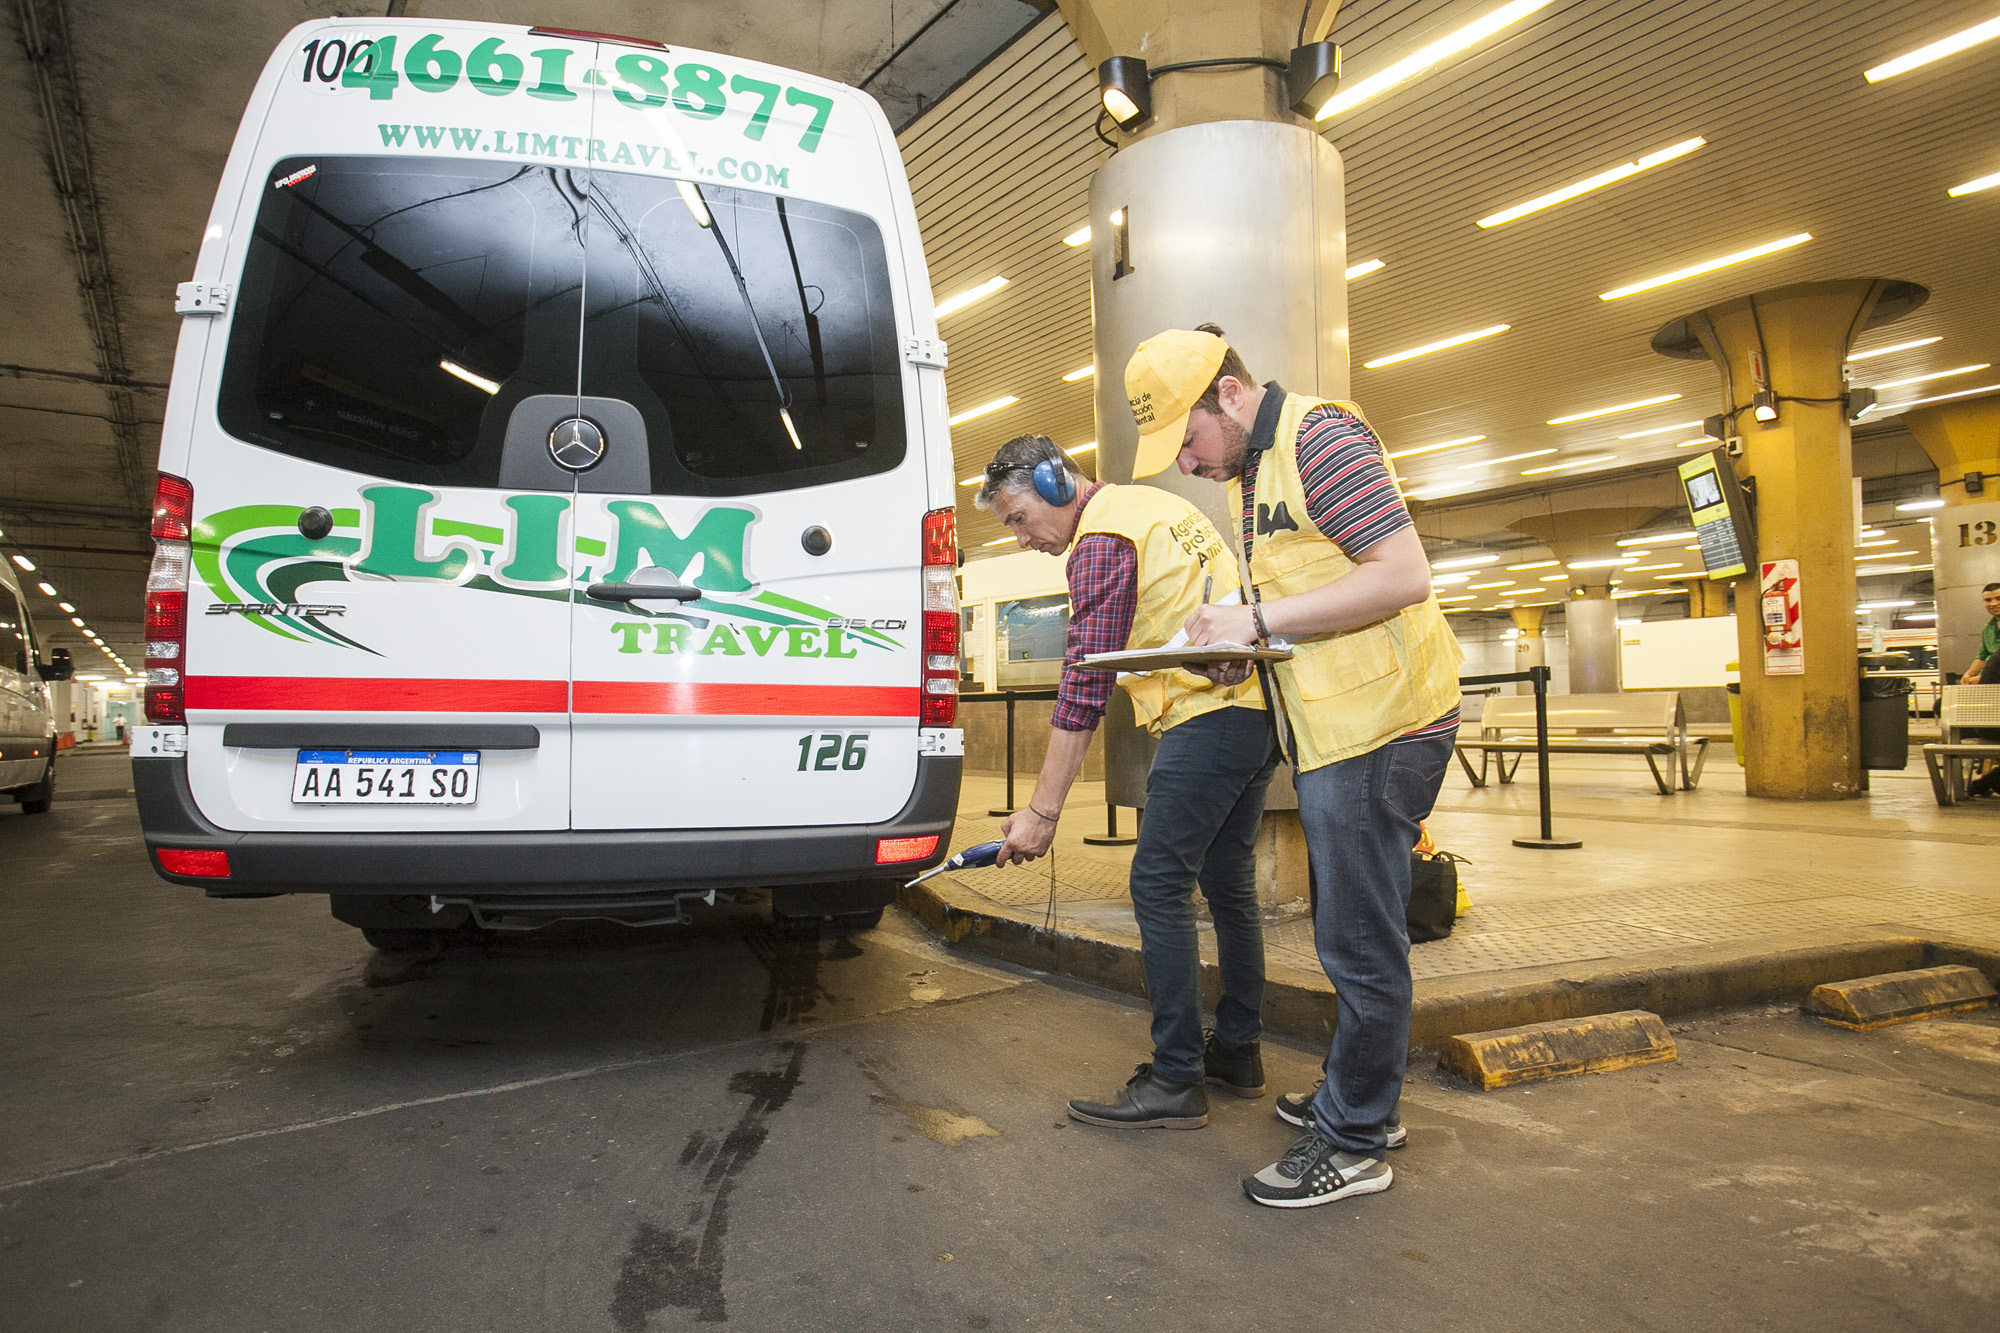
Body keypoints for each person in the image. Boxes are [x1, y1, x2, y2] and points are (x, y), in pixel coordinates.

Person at [1123, 326, 1463, 1208]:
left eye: (1188, 442)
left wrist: (1259, 624)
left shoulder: (1318, 438)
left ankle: (1352, 1141)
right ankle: (1366, 1096)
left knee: (1355, 939)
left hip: (1385, 720)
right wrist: (1245, 649)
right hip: (1338, 723)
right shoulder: (1251, 471)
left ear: (1228, 395)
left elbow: (1402, 575)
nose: (1188, 465)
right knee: (1353, 928)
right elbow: (1306, 601)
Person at [977, 433, 1278, 1130]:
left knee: (1156, 882)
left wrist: (1042, 813)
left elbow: (1084, 686)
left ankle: (1177, 1077)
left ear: (1057, 484)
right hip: (1253, 713)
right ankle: (1236, 1049)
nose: (1021, 539)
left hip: (1208, 717)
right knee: (1227, 880)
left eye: (1020, 519)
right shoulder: (1146, 508)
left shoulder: (1103, 541)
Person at [1957, 583, 2000, 683]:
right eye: (1988, 600)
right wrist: (1968, 675)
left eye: (1998, 598)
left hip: (1993, 681)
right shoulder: (1988, 628)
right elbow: (1982, 657)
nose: (1993, 604)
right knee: (1944, 699)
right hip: (1986, 680)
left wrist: (1984, 679)